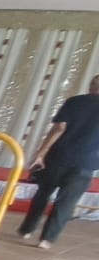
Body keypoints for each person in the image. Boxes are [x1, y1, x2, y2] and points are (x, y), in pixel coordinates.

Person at [18, 74, 99, 250]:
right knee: (67, 202)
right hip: (86, 162)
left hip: (58, 156)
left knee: (42, 194)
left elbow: (58, 129)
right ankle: (46, 240)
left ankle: (27, 230)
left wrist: (41, 152)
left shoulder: (74, 102)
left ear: (91, 86)